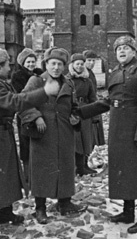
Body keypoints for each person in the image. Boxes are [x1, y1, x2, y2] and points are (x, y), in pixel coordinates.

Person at [0, 47, 60, 239]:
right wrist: (44, 92)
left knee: (7, 172)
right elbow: (15, 102)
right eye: (6, 65)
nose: (9, 69)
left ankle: (5, 213)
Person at [79, 36, 137, 234]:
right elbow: (108, 101)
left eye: (126, 48)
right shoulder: (114, 73)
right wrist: (81, 112)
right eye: (118, 49)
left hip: (135, 128)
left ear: (134, 51)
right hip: (118, 129)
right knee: (123, 169)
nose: (121, 52)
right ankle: (128, 211)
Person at [20, 47, 87, 224]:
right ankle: (40, 208)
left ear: (64, 66)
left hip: (64, 131)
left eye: (60, 64)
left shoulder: (68, 83)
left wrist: (75, 118)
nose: (56, 68)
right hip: (43, 132)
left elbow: (72, 106)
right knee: (42, 168)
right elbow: (23, 102)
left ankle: (64, 202)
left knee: (65, 165)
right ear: (46, 64)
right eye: (53, 64)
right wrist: (36, 117)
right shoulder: (36, 81)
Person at [11, 48, 43, 170]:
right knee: (26, 143)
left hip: (41, 112)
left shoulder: (40, 74)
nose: (31, 64)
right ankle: (28, 174)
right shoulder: (18, 76)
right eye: (28, 62)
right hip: (26, 114)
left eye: (33, 61)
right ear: (22, 63)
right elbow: (21, 99)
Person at [68, 52, 97, 176]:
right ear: (72, 65)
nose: (79, 66)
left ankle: (84, 165)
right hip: (73, 111)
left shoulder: (87, 80)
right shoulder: (67, 80)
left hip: (85, 111)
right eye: (77, 64)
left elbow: (93, 98)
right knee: (76, 140)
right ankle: (76, 166)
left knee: (86, 139)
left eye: (81, 64)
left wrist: (95, 115)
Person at [83, 50, 106, 147]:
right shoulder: (84, 73)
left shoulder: (91, 73)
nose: (91, 63)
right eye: (89, 60)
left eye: (93, 61)